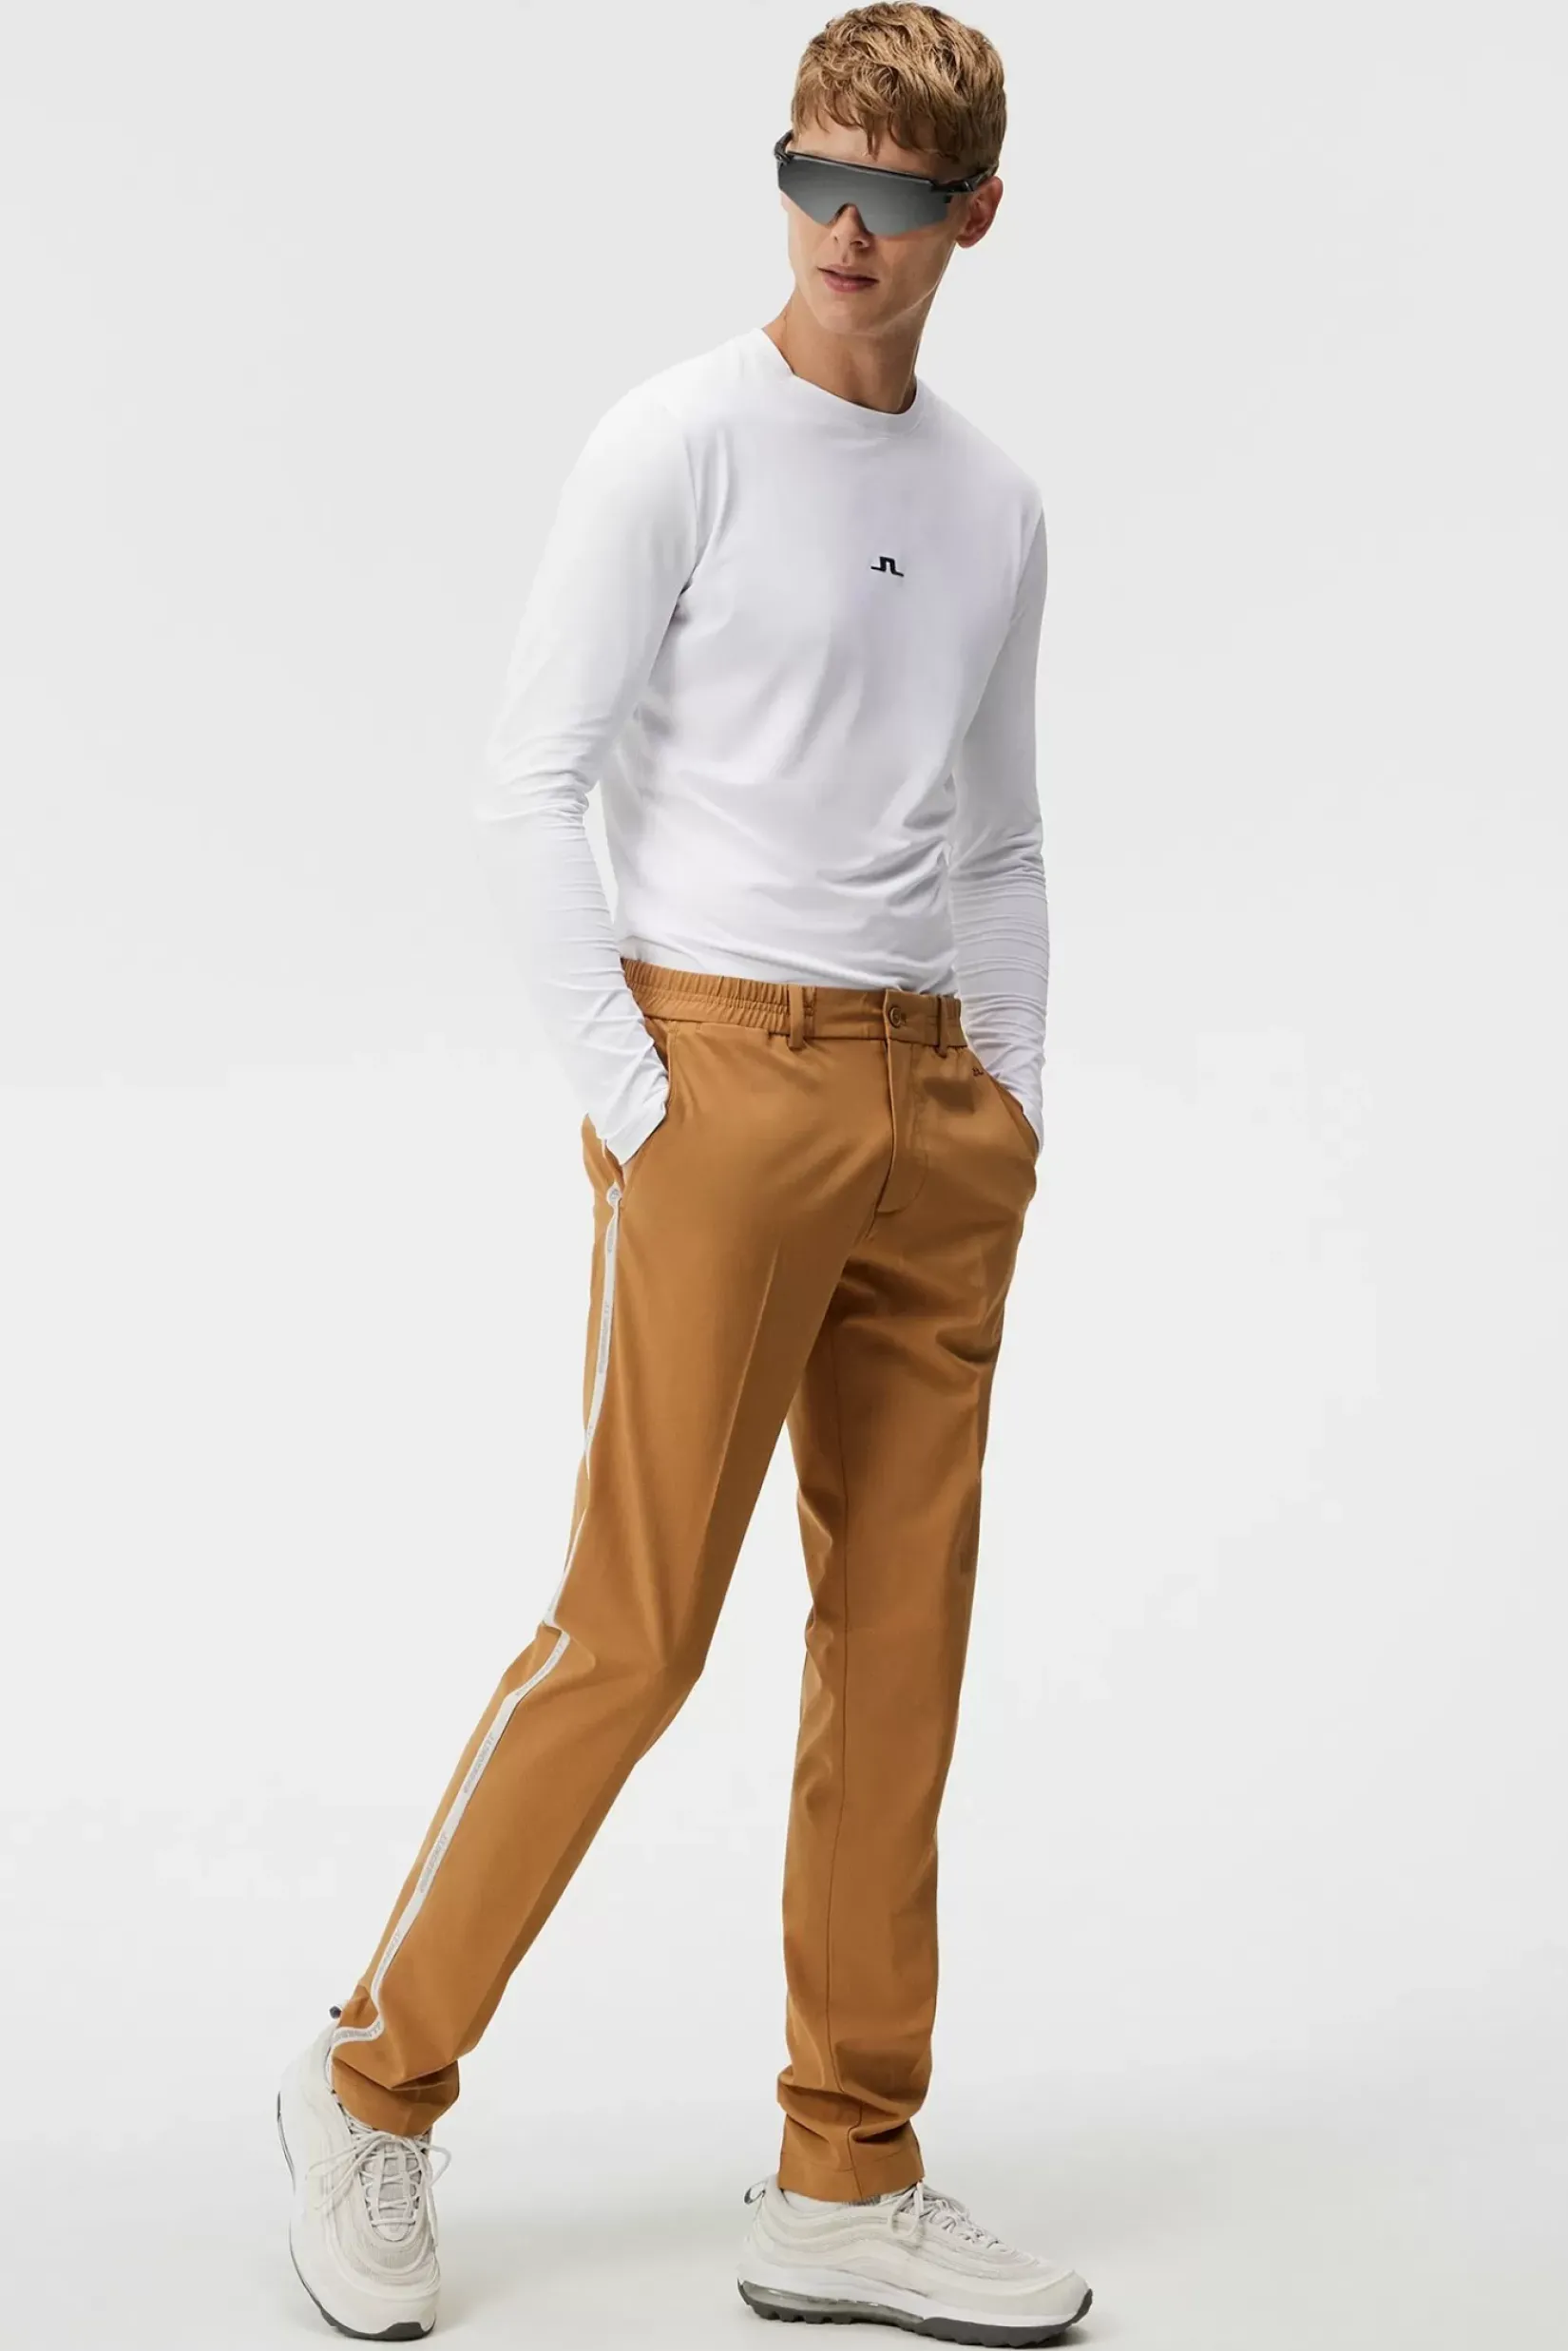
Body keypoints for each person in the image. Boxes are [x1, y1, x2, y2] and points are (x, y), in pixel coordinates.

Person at [276, 6, 1092, 2341]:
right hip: (720, 1068)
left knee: (901, 1648)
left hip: (930, 1098)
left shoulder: (996, 503)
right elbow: (527, 786)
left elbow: (1004, 833)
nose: (846, 227)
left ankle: (847, 2172)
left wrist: (1013, 1099)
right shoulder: (676, 445)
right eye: (812, 173)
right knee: (634, 1629)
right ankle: (370, 2083)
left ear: (975, 213)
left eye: (897, 191)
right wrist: (646, 1105)